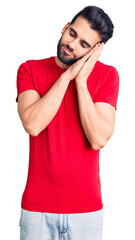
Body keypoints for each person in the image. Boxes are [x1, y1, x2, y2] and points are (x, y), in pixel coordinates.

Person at [16, 5, 119, 240]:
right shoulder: (29, 69)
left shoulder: (107, 76)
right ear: (65, 27)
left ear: (95, 50)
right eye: (72, 34)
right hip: (37, 210)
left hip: (87, 211)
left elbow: (99, 138)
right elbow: (32, 124)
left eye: (84, 44)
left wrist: (81, 81)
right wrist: (67, 77)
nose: (72, 44)